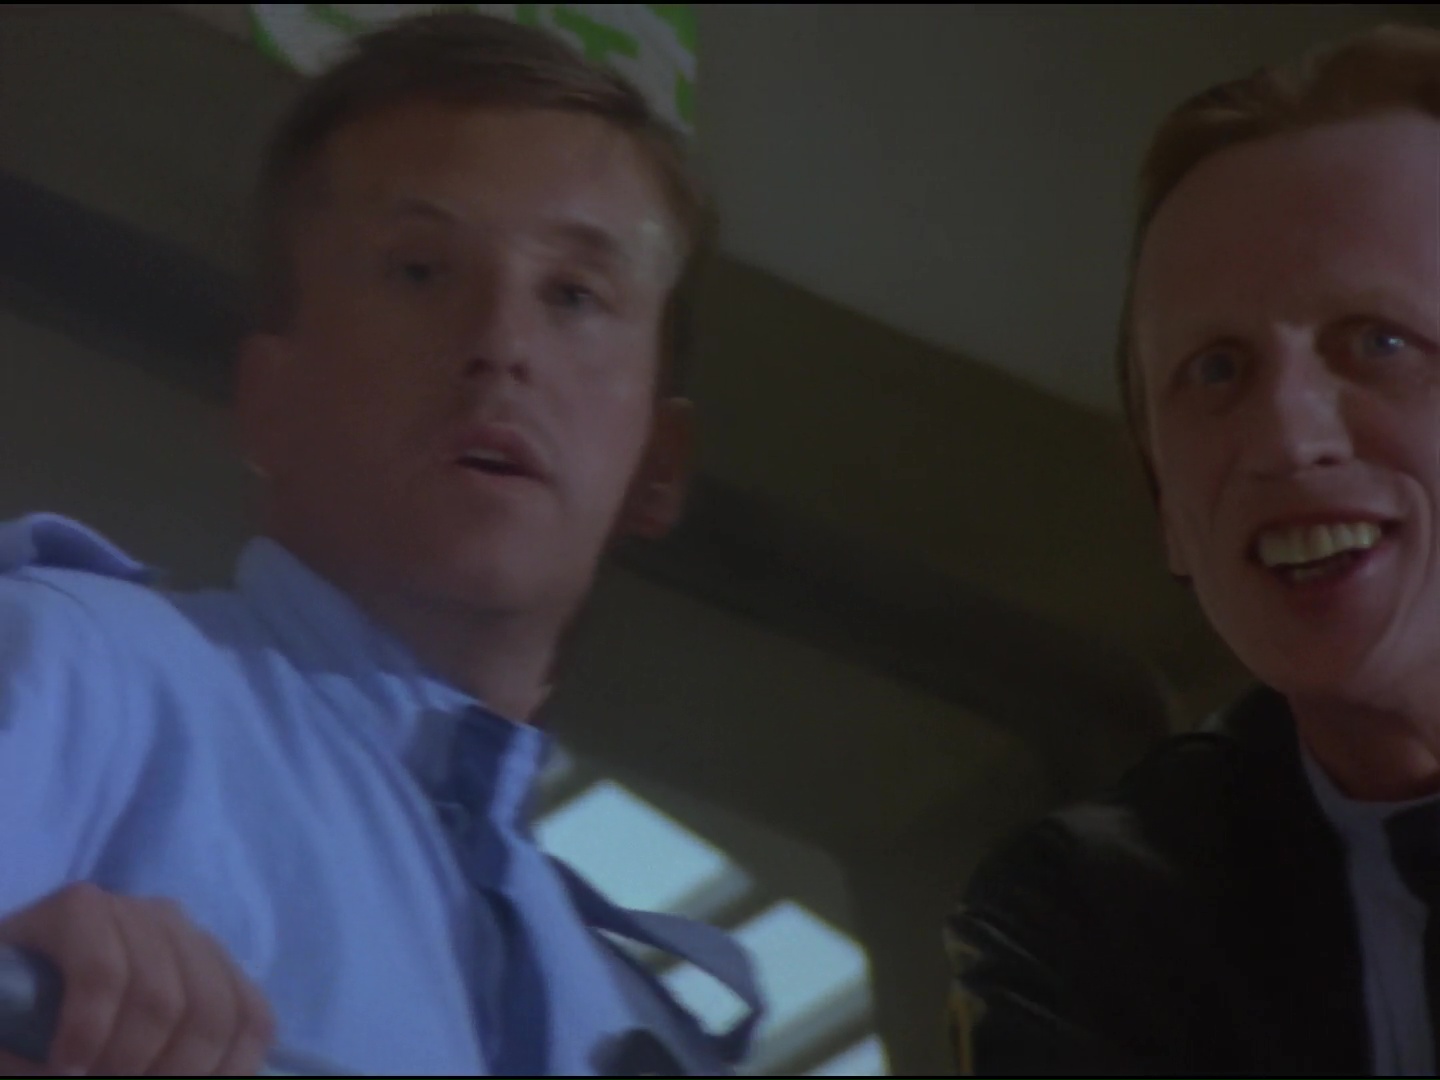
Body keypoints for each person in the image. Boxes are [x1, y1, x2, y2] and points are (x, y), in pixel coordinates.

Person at [0, 11, 761, 1077]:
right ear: (268, 399)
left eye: (575, 295)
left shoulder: (644, 1021)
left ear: (658, 464)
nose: (502, 345)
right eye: (419, 271)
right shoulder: (86, 664)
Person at [944, 22, 1440, 1076]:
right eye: (1216, 371)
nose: (1286, 438)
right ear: (1168, 504)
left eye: (1380, 342)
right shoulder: (1089, 919)